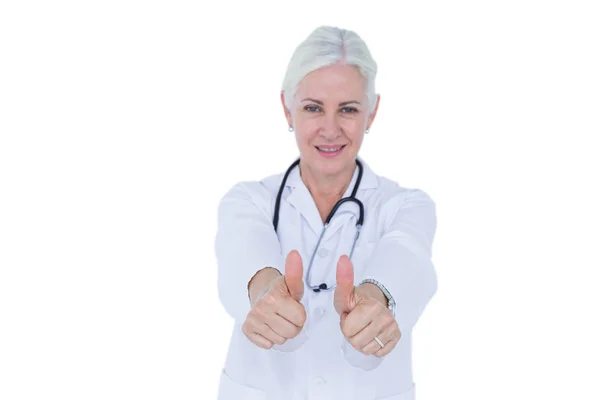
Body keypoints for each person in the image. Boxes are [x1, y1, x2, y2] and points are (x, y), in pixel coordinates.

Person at [214, 25, 438, 400]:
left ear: (372, 112)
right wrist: (266, 290)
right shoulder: (248, 200)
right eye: (313, 108)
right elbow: (242, 250)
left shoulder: (407, 205)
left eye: (348, 109)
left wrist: (376, 297)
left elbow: (407, 256)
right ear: (287, 109)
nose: (330, 129)